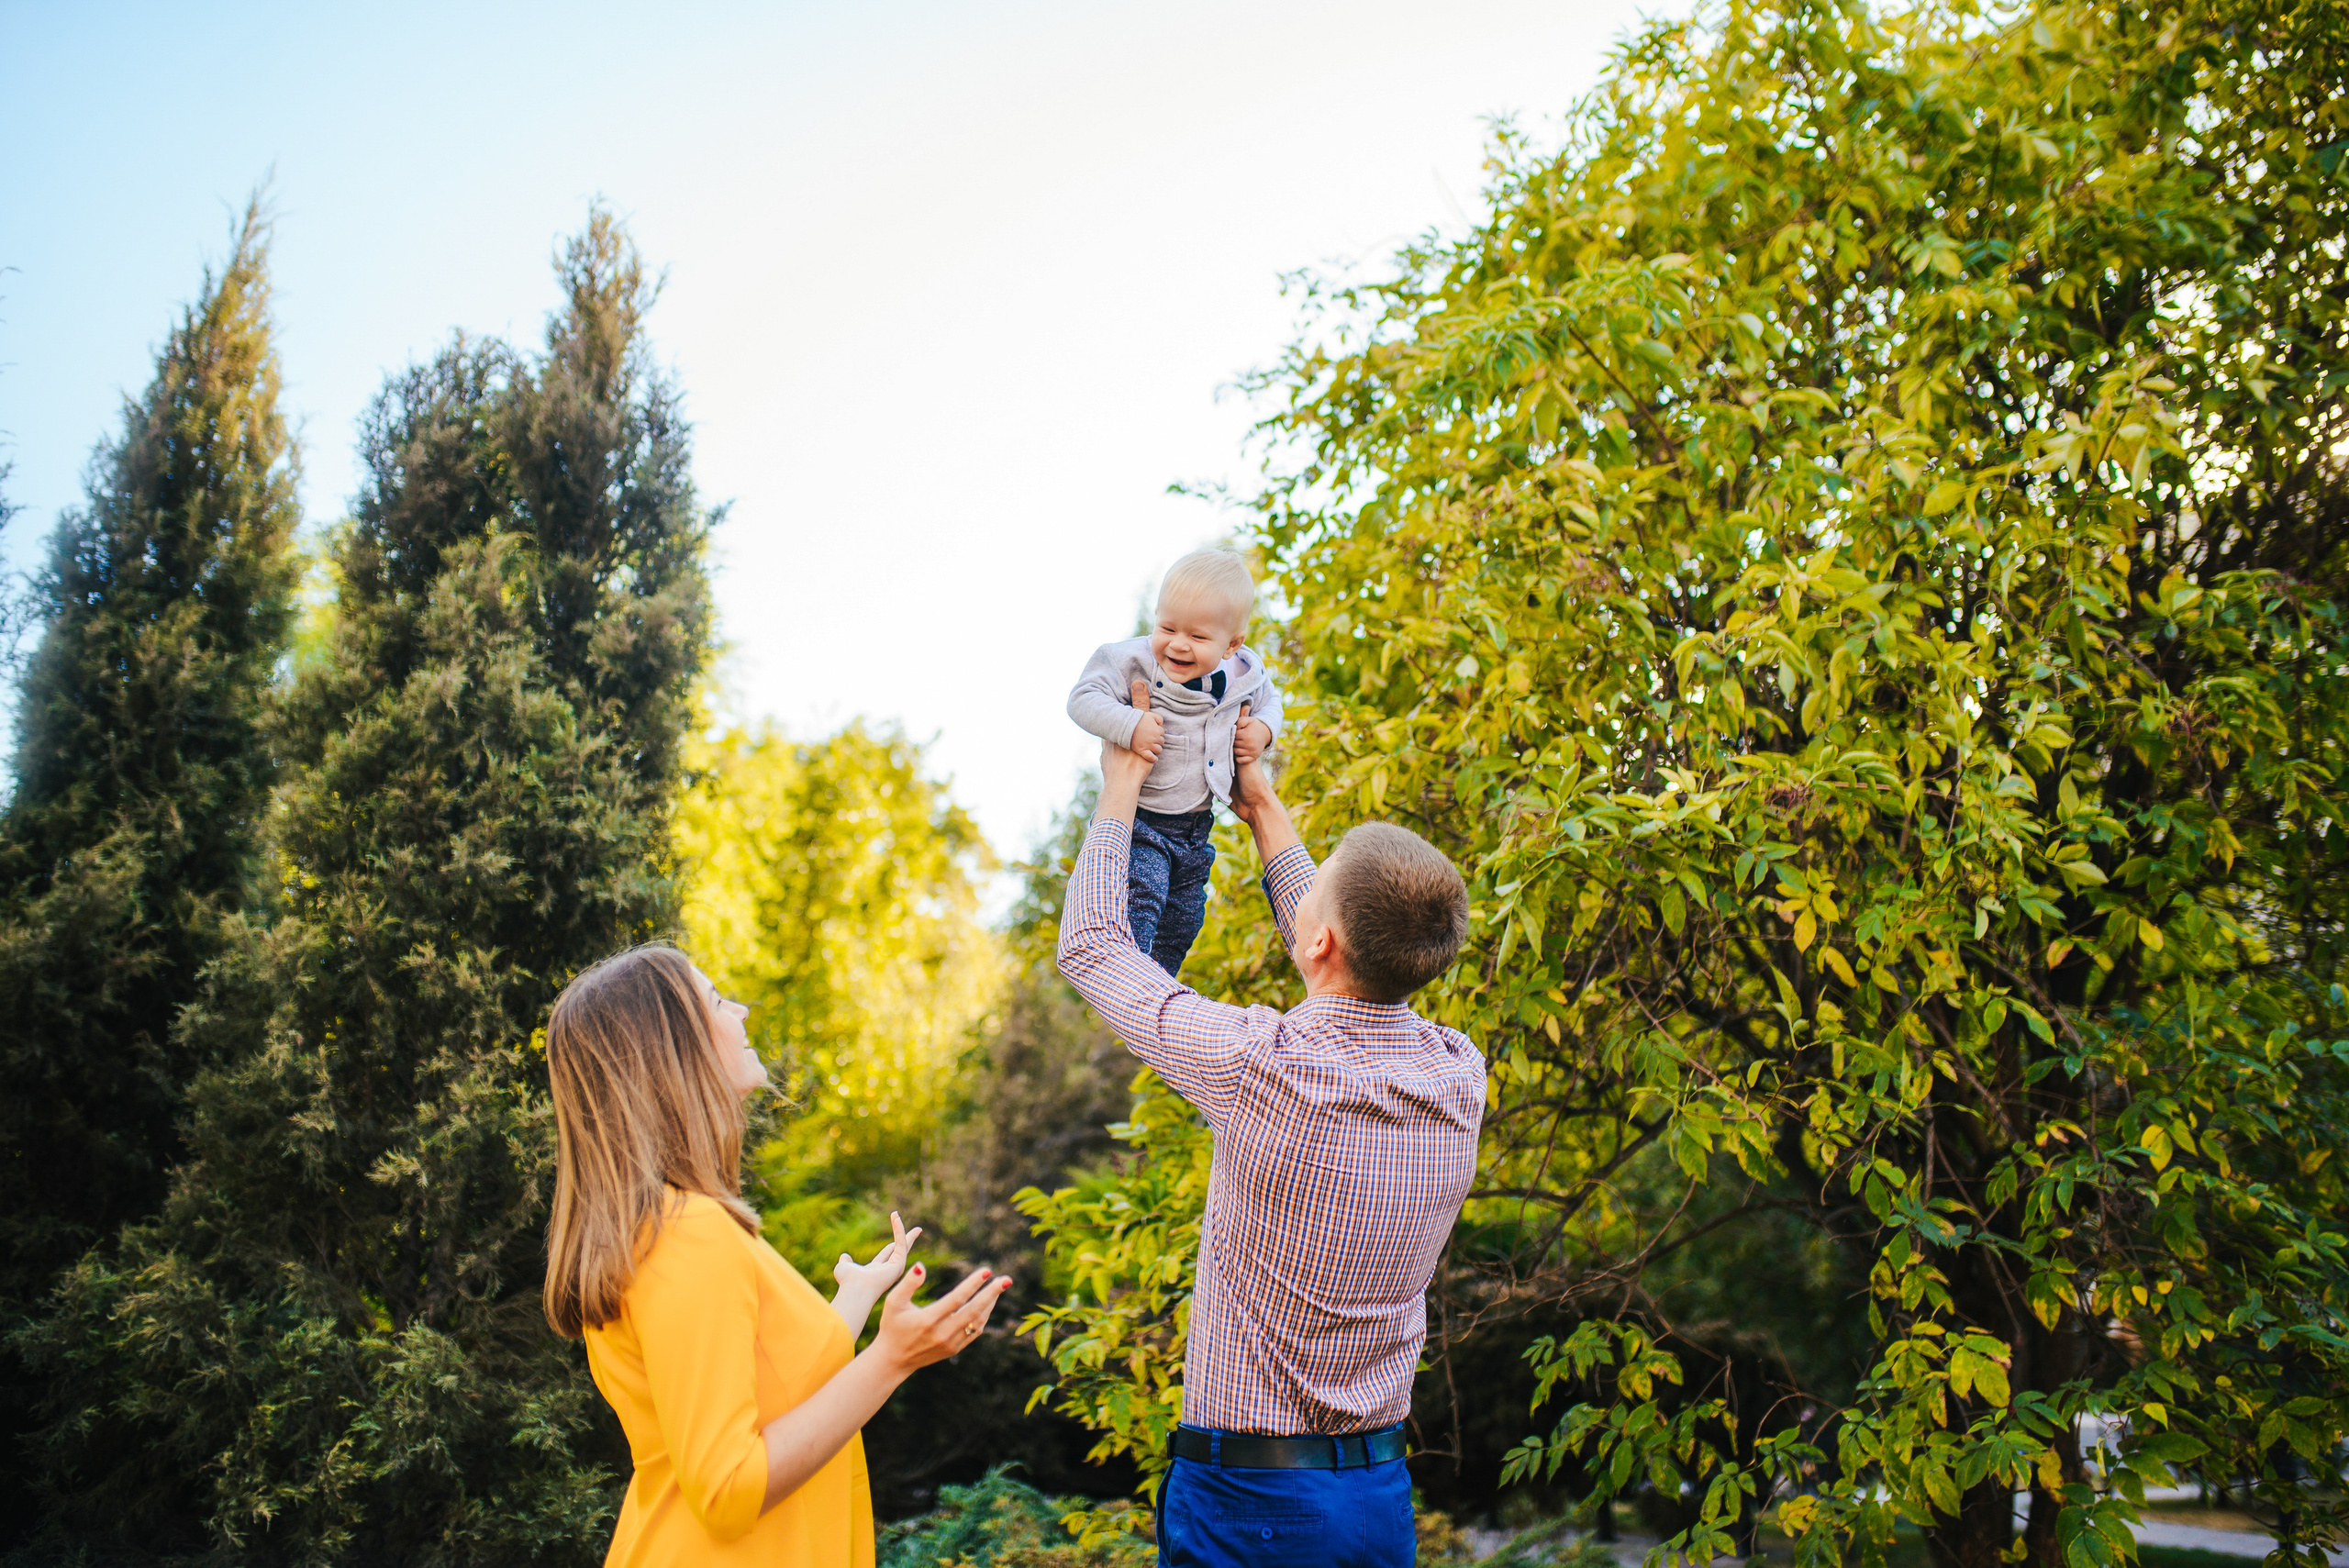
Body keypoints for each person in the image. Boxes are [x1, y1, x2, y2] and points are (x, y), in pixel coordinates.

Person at [1057, 697, 1485, 1568]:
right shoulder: (1457, 1073)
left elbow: (1093, 946)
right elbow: (1344, 951)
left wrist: (1120, 783)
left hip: (1252, 1506)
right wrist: (1260, 804)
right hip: (1375, 1499)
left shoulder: (1265, 1066)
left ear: (1321, 937)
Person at [541, 944, 1012, 1568]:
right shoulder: (687, 1233)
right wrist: (893, 1358)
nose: (740, 1010)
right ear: (675, 1049)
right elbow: (728, 1487)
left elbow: (780, 1394)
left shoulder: (669, 1228)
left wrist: (856, 1297)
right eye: (716, 1001)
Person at [1066, 547, 1284, 977]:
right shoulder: (1130, 661)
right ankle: (1129, 981)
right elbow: (1082, 699)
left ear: (1232, 644)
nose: (1178, 644)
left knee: (1185, 918)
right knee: (1139, 903)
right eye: (1167, 627)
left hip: (1196, 828)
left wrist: (1263, 731)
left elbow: (1271, 703)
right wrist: (1130, 725)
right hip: (1141, 822)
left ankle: (1159, 987)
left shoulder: (1246, 676)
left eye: (1198, 638)